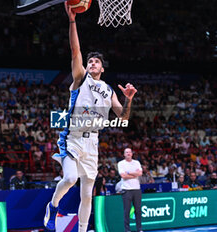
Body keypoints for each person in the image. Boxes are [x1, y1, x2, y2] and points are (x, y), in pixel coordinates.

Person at [44, 3, 137, 231]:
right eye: (90, 61)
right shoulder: (81, 78)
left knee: (87, 195)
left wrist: (129, 99)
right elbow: (75, 51)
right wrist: (72, 20)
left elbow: (123, 119)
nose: (92, 63)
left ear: (102, 68)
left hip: (92, 143)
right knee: (69, 179)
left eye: (96, 62)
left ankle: (83, 229)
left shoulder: (108, 90)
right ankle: (53, 206)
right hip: (73, 137)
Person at [118, 148, 143, 232]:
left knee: (138, 210)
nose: (128, 153)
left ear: (132, 154)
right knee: (127, 211)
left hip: (137, 189)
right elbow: (123, 176)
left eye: (129, 152)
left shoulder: (137, 163)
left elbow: (140, 173)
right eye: (126, 152)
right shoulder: (121, 163)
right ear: (124, 154)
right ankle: (127, 230)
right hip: (126, 190)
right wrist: (134, 174)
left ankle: (139, 229)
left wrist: (128, 172)